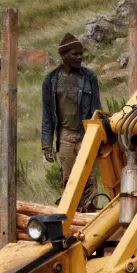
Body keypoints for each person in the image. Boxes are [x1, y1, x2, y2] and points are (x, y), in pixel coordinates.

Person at [41, 33, 101, 211]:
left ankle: (89, 216)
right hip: (65, 135)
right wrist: (46, 144)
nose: (80, 57)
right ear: (63, 55)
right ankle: (70, 217)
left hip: (85, 133)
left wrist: (98, 137)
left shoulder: (89, 77)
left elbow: (97, 110)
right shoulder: (51, 81)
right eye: (75, 54)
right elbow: (48, 115)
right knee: (68, 179)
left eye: (81, 54)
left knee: (89, 178)